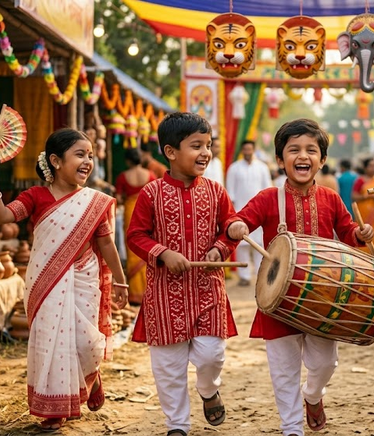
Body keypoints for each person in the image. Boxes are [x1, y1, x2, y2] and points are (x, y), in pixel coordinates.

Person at [226, 119, 374, 436]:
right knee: (284, 370)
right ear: (281, 160)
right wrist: (236, 226)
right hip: (278, 299)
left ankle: (313, 394)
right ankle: (291, 427)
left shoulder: (331, 198)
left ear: (322, 159)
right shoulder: (267, 198)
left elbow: (349, 232)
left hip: (323, 299)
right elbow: (239, 221)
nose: (303, 156)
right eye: (294, 150)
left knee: (325, 364)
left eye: (311, 150)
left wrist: (360, 234)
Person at [0, 128, 128, 432]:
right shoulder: (36, 196)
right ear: (56, 161)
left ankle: (91, 375)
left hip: (84, 279)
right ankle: (54, 409)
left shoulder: (94, 202)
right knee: (52, 342)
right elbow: (3, 217)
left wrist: (121, 281)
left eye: (90, 155)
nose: (88, 161)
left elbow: (106, 244)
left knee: (87, 343)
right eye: (80, 154)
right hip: (46, 282)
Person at [127, 112, 239, 436]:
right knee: (169, 367)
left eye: (208, 145)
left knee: (211, 355)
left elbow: (229, 227)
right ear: (171, 152)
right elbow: (136, 236)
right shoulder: (151, 193)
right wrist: (163, 253)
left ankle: (208, 389)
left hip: (208, 288)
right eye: (196, 146)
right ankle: (177, 425)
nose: (206, 152)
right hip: (165, 293)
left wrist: (222, 246)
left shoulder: (216, 191)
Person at [226, 140, 272, 286]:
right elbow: (230, 192)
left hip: (260, 213)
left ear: (253, 149)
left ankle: (260, 276)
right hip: (241, 212)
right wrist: (233, 213)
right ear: (242, 150)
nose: (247, 152)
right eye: (245, 149)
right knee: (242, 245)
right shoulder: (234, 168)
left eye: (249, 149)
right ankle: (244, 277)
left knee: (260, 245)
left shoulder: (262, 168)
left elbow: (268, 190)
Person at [115, 148, 156, 305]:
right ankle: (148, 291)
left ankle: (135, 293)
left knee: (133, 247)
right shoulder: (150, 175)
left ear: (128, 161)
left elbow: (119, 198)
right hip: (147, 212)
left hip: (131, 212)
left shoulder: (123, 177)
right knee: (147, 247)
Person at [352, 158, 374, 255]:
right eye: (370, 166)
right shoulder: (360, 180)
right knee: (364, 236)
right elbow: (354, 196)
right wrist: (367, 196)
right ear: (365, 168)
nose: (373, 168)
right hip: (364, 216)